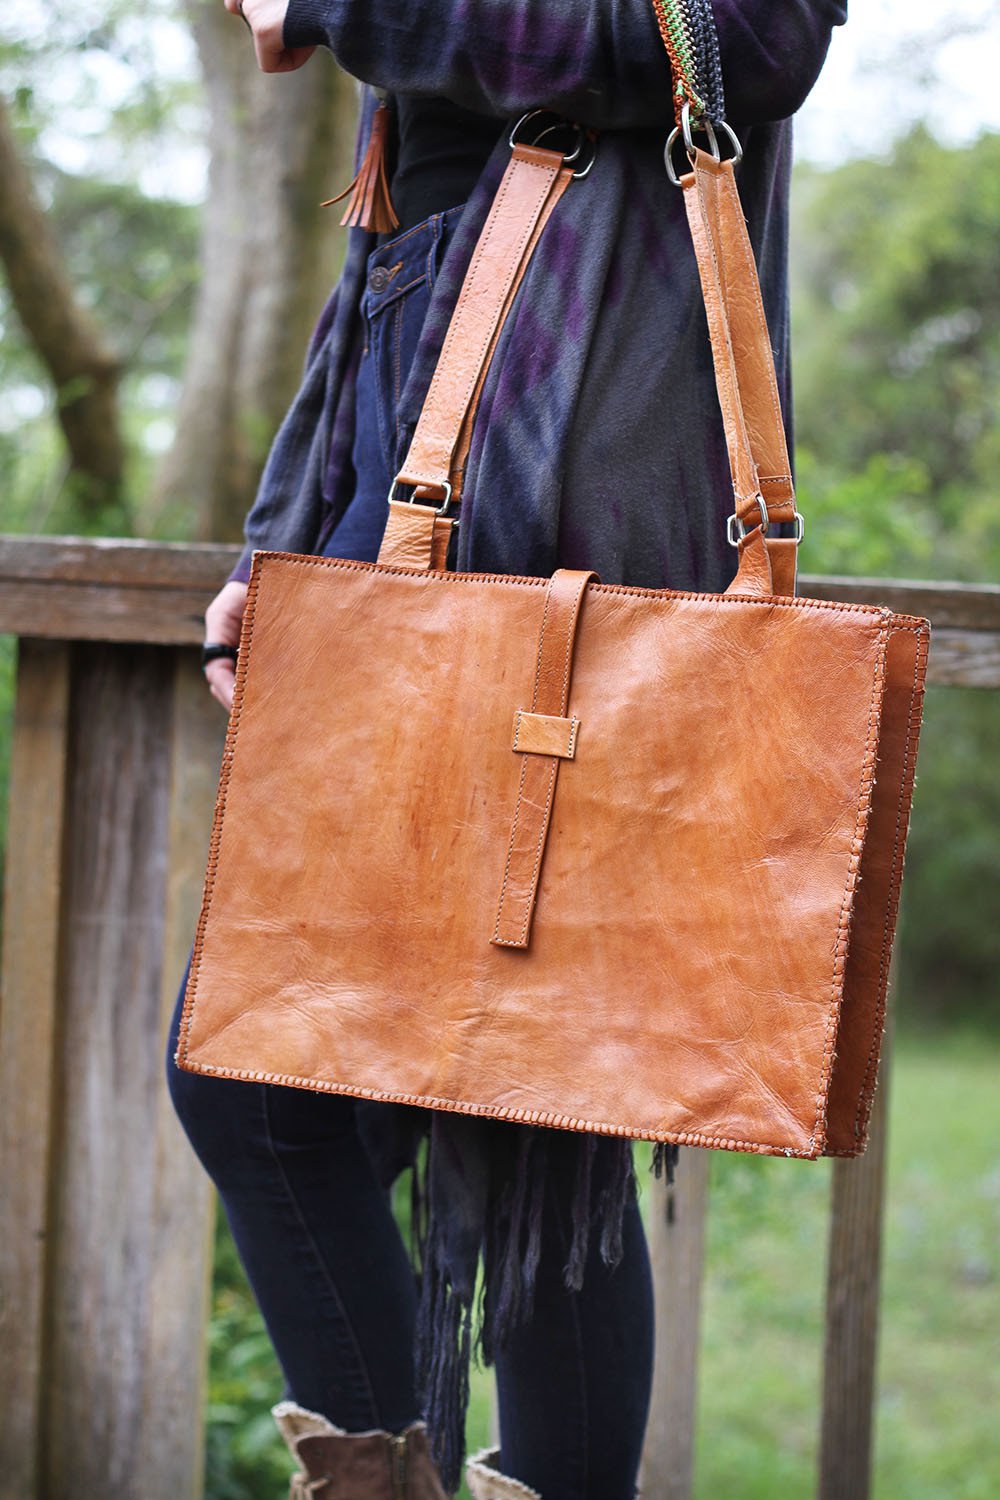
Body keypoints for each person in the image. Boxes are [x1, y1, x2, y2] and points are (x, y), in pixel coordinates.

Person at [167, 3, 847, 1497]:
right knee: (509, 1110)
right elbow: (397, 270)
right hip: (423, 537)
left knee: (352, 1094)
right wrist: (291, 540)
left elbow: (745, 42)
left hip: (565, 542)